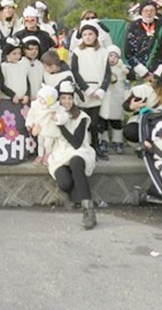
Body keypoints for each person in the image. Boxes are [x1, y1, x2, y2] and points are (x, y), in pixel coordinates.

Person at [35, 80, 97, 230]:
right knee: (64, 183)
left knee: (76, 162)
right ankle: (70, 189)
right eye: (63, 98)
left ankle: (88, 210)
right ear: (58, 99)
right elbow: (42, 133)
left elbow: (76, 143)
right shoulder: (51, 114)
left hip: (78, 151)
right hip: (59, 154)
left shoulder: (81, 116)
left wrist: (60, 125)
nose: (67, 101)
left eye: (70, 98)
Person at [70, 22, 111, 160]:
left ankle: (95, 145)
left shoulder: (104, 52)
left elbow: (107, 73)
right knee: (82, 121)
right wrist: (86, 89)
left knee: (95, 122)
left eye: (90, 34)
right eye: (85, 34)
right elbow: (75, 72)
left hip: (98, 92)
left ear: (96, 35)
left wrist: (102, 90)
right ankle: (82, 146)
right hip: (83, 92)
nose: (87, 37)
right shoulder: (77, 52)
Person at [125, 0, 162, 74]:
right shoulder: (133, 28)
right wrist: (142, 71)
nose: (149, 13)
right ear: (141, 12)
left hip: (158, 71)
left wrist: (160, 70)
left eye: (152, 10)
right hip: (137, 72)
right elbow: (128, 52)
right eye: (146, 10)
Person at [26, 85, 68, 166]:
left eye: (44, 99)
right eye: (40, 98)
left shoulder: (55, 107)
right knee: (40, 143)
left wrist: (56, 117)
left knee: (47, 144)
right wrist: (29, 123)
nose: (41, 101)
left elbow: (64, 116)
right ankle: (40, 155)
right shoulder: (36, 106)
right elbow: (31, 114)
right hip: (40, 128)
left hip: (50, 129)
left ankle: (47, 154)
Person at [99, 45, 129, 155]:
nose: (112, 58)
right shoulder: (102, 67)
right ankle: (104, 140)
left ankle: (118, 141)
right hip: (105, 99)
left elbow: (132, 76)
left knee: (116, 121)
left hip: (117, 99)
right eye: (110, 55)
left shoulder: (122, 68)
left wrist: (127, 72)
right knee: (103, 121)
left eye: (115, 56)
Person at [0, 37, 30, 104]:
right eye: (14, 54)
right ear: (7, 54)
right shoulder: (3, 66)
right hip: (8, 100)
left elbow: (27, 82)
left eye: (19, 53)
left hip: (22, 100)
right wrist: (12, 95)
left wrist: (27, 94)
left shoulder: (23, 66)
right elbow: (1, 84)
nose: (17, 56)